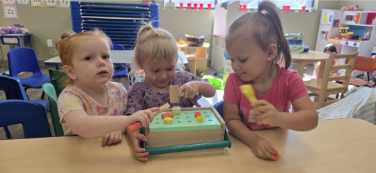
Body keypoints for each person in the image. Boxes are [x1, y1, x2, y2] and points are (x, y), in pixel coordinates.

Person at [223, 0, 318, 161]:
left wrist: (278, 118)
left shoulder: (290, 80)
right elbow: (231, 120)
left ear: (270, 52)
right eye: (232, 59)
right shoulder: (234, 81)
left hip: (282, 147)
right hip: (246, 146)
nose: (235, 67)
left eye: (242, 60)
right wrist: (254, 141)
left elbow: (311, 119)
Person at [126, 24, 216, 161]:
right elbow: (131, 122)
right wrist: (134, 139)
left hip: (189, 140)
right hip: (157, 145)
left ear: (176, 60)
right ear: (141, 64)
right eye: (155, 70)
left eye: (169, 68)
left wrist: (196, 85)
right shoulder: (138, 90)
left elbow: (211, 91)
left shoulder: (183, 79)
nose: (163, 76)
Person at [56, 29, 158, 147]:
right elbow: (81, 125)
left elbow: (129, 125)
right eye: (88, 58)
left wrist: (120, 129)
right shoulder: (69, 97)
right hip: (80, 154)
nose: (101, 62)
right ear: (70, 71)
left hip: (114, 153)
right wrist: (126, 121)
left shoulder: (118, 90)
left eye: (105, 56)